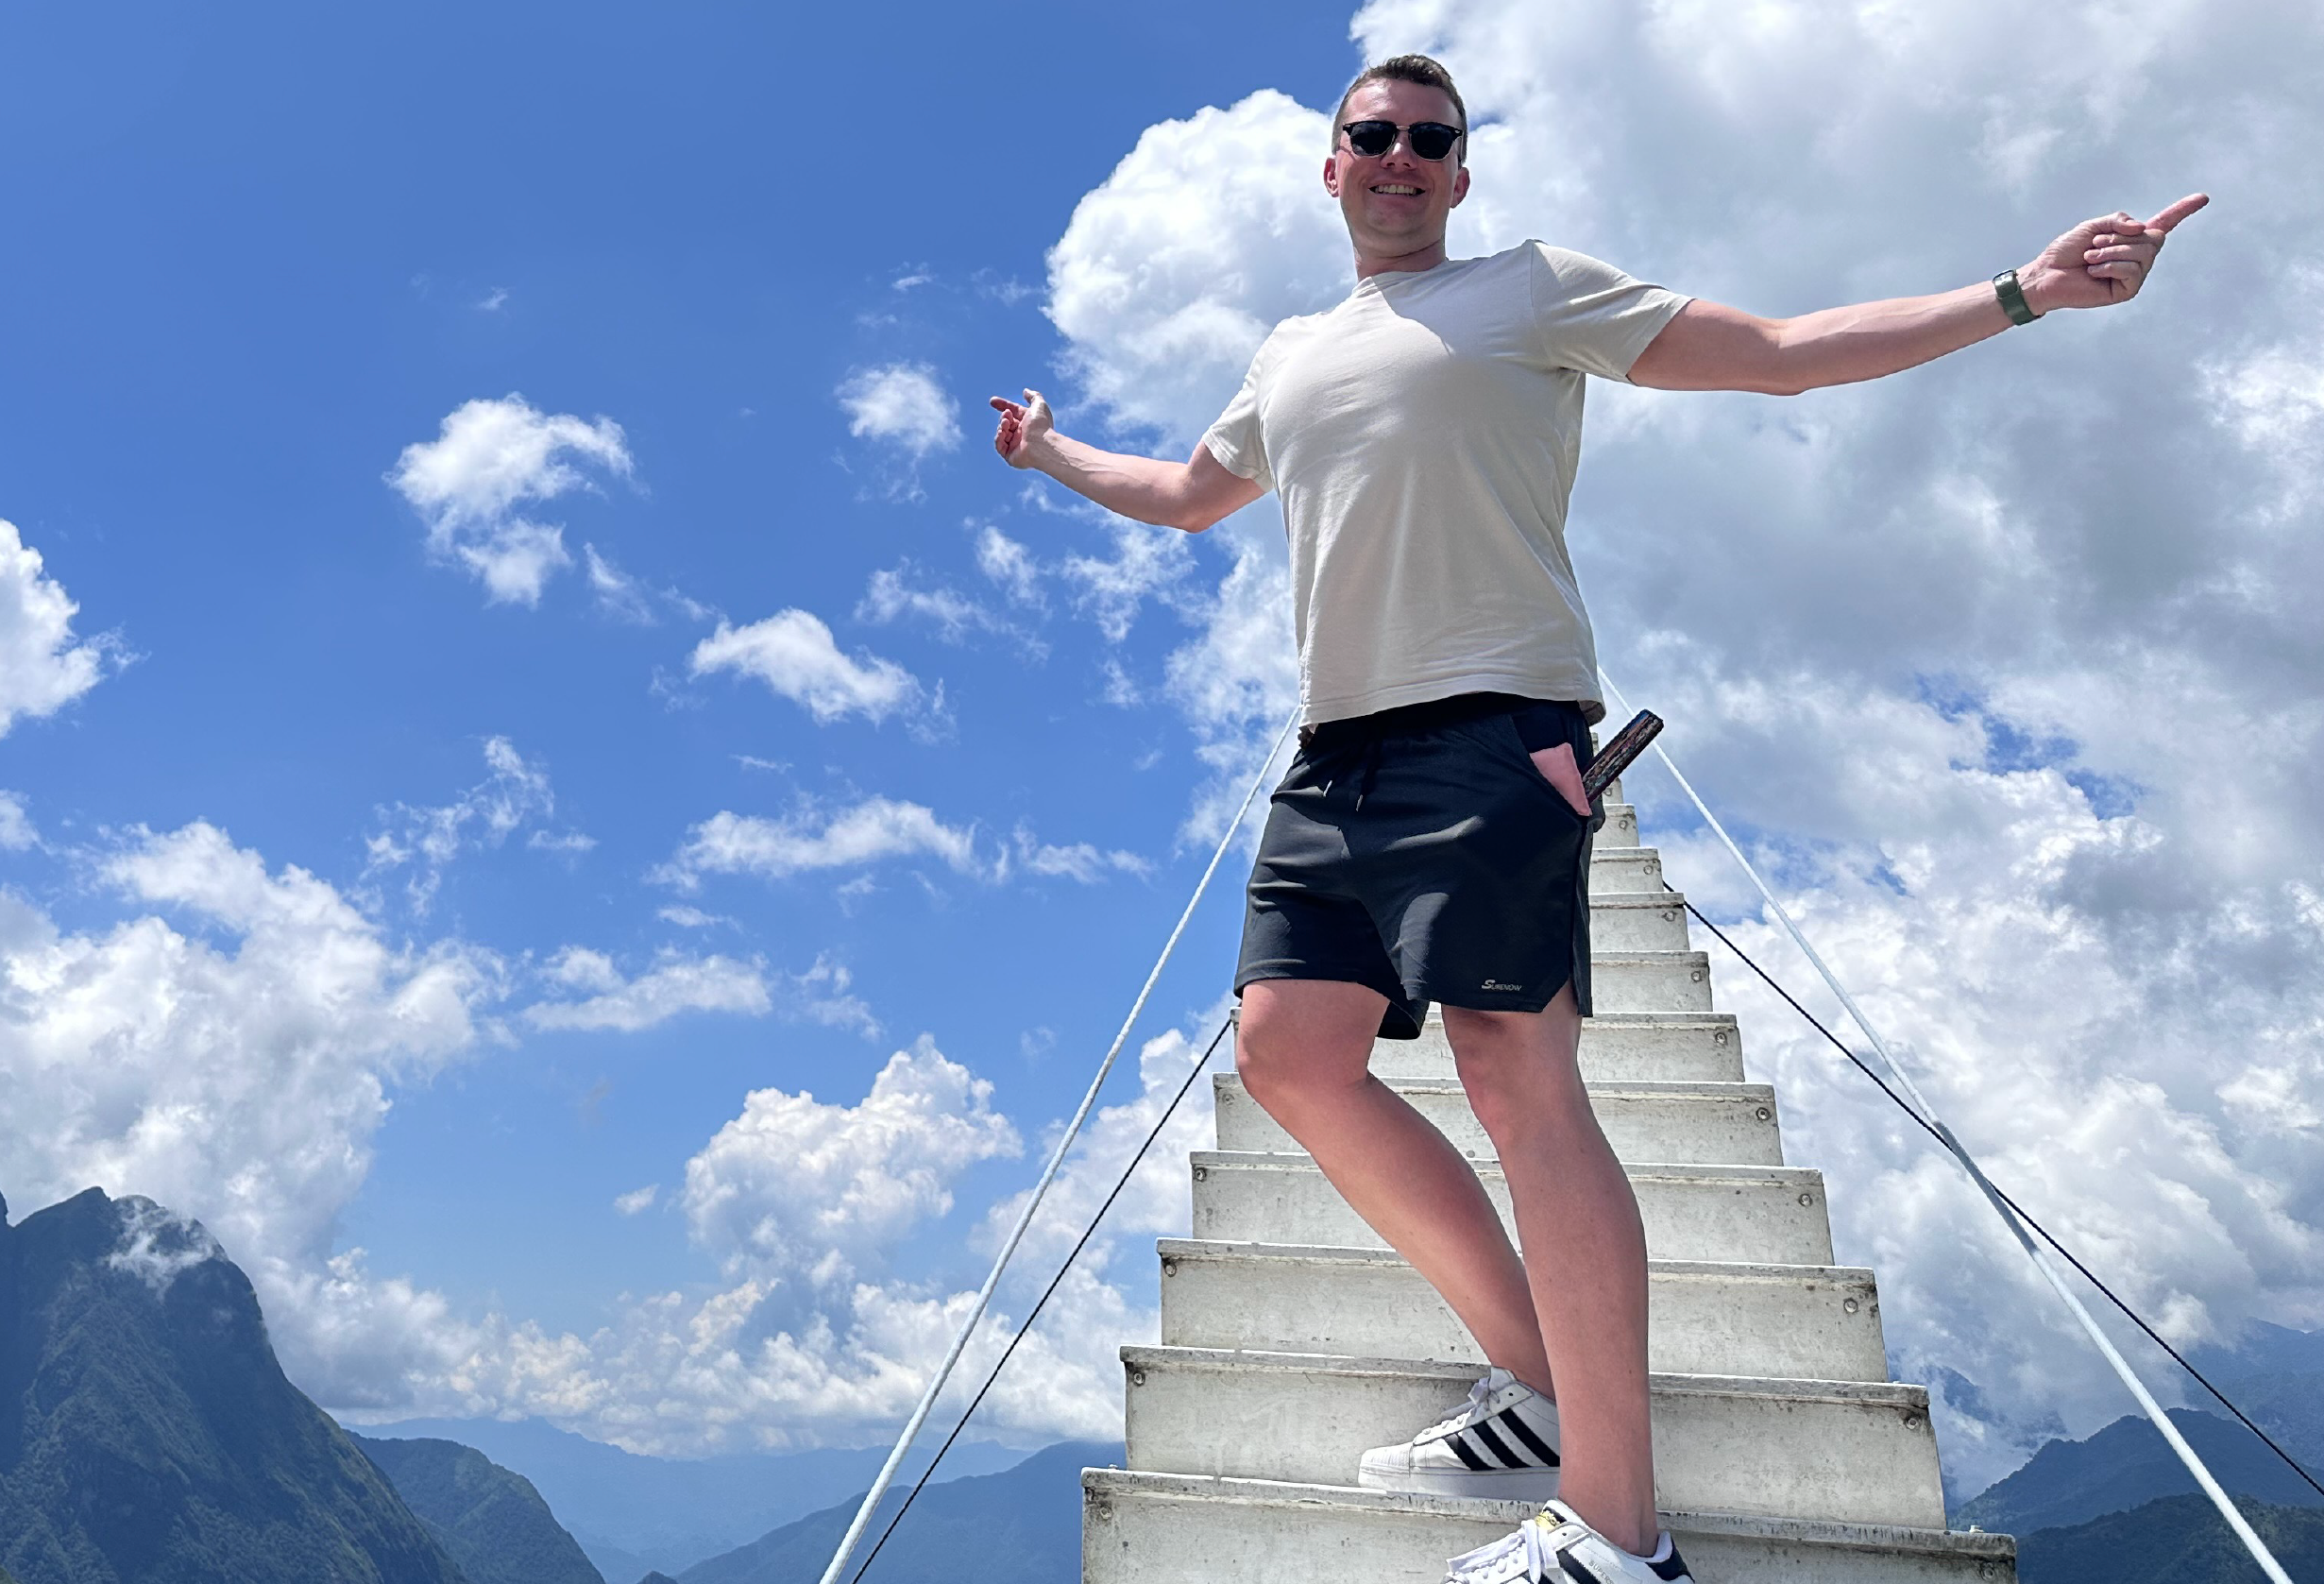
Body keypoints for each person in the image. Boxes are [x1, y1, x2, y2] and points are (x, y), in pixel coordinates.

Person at [990, 53, 2203, 1584]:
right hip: (1330, 762)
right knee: (1288, 1054)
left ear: (1463, 172)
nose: (1403, 157)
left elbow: (1777, 352)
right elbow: (1180, 494)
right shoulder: (1287, 353)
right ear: (1334, 165)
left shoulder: (1531, 293)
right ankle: (1549, 1388)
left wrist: (2021, 294)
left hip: (1496, 733)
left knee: (1516, 1074)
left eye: (1434, 140)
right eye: (1376, 136)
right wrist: (1046, 454)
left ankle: (1623, 1537)